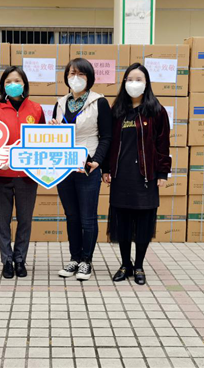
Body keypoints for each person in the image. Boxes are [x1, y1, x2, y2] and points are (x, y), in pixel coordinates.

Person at [102, 63, 171, 285]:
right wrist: (106, 169)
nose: (134, 83)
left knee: (143, 223)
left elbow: (163, 144)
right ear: (124, 82)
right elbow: (108, 142)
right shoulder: (117, 111)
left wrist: (162, 173)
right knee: (122, 222)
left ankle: (139, 266)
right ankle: (125, 264)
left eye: (139, 79)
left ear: (146, 83)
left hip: (146, 177)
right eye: (130, 79)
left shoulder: (157, 111)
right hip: (121, 176)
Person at [51, 58, 112, 281]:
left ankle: (86, 261)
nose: (75, 78)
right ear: (66, 77)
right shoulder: (60, 103)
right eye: (71, 73)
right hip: (64, 167)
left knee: (88, 217)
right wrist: (53, 130)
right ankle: (74, 258)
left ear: (90, 78)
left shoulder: (99, 102)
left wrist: (98, 161)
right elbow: (55, 136)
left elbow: (106, 136)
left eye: (81, 74)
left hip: (88, 167)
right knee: (72, 216)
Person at [0, 66, 45, 279]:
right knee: (2, 220)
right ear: (3, 86)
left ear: (24, 84)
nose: (13, 85)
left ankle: (20, 259)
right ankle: (7, 260)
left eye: (17, 81)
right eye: (8, 82)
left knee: (25, 219)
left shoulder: (36, 109)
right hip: (1, 174)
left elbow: (43, 141)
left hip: (28, 175)